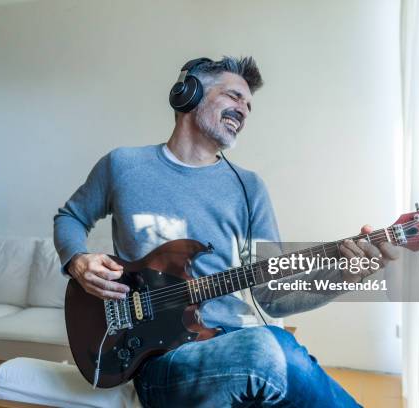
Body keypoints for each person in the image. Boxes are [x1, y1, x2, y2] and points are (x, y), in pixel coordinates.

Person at [53, 56, 399, 407]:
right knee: (269, 350)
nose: (244, 110)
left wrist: (345, 273)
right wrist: (78, 261)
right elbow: (70, 217)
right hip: (158, 359)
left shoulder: (250, 188)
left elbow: (272, 296)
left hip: (235, 339)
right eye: (234, 97)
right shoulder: (123, 165)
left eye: (249, 105)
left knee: (272, 351)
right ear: (188, 94)